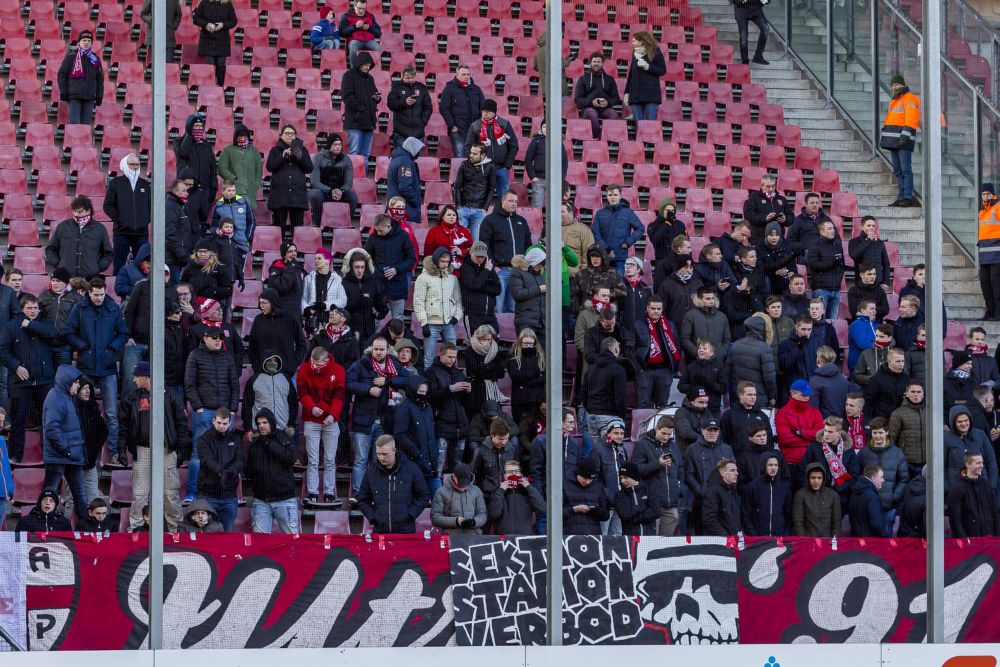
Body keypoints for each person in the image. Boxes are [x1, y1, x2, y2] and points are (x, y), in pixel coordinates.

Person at [61, 278, 127, 461]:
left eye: (101, 294)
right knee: (80, 411)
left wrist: (112, 348)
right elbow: (68, 332)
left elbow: (123, 333)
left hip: (107, 368)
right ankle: (82, 450)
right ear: (89, 292)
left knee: (112, 414)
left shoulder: (113, 309)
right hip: (86, 368)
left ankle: (112, 453)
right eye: (95, 294)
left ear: (106, 291)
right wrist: (82, 347)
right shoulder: (79, 309)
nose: (98, 298)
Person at [122, 361, 187, 531]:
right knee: (140, 494)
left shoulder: (171, 396)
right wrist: (121, 449)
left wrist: (181, 450)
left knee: (170, 494)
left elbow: (181, 424)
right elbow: (123, 425)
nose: (135, 380)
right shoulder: (133, 397)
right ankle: (135, 530)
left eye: (137, 376)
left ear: (147, 376)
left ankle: (175, 531)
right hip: (142, 450)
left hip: (166, 450)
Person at [345, 338, 412, 505]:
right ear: (371, 349)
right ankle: (358, 493)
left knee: (379, 460)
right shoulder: (362, 363)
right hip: (363, 420)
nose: (379, 352)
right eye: (376, 349)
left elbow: (410, 380)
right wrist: (368, 389)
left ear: (388, 349)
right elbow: (348, 382)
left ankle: (375, 494)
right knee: (360, 459)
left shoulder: (394, 364)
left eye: (382, 349)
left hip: (384, 420)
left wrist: (388, 381)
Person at [184, 325, 239, 501]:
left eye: (220, 338)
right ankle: (192, 493)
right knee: (197, 455)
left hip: (224, 412)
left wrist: (232, 409)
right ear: (205, 339)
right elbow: (189, 384)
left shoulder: (227, 357)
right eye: (214, 337)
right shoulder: (195, 356)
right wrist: (198, 406)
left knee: (226, 455)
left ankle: (225, 492)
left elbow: (234, 384)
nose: (217, 340)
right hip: (204, 411)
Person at [0, 295, 57, 464]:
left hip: (44, 380)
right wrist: (16, 366)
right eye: (29, 308)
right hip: (20, 383)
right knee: (18, 421)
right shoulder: (11, 327)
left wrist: (31, 325)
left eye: (35, 308)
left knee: (47, 421)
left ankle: (49, 455)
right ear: (22, 308)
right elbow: (2, 351)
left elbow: (53, 336)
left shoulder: (45, 324)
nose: (33, 311)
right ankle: (16, 456)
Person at [297, 346, 346, 505]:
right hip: (312, 419)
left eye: (317, 364)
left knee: (330, 459)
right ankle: (312, 492)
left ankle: (329, 492)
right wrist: (311, 407)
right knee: (313, 459)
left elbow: (339, 394)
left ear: (326, 361)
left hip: (331, 421)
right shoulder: (304, 369)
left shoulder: (338, 371)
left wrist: (332, 414)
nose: (313, 366)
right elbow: (302, 392)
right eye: (312, 362)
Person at [41, 366, 88, 519]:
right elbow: (51, 429)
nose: (78, 386)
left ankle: (86, 529)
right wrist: (66, 450)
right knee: (49, 496)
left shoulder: (66, 397)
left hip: (71, 457)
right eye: (75, 383)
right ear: (67, 382)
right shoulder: (56, 398)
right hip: (58, 457)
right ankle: (43, 526)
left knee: (80, 496)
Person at [358, 434, 431, 533]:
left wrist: (411, 514)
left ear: (394, 451)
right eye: (378, 454)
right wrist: (373, 517)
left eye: (384, 454)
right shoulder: (370, 472)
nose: (381, 457)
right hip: (380, 531)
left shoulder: (412, 469)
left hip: (406, 531)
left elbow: (424, 496)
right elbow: (362, 500)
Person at [243, 409, 298, 533]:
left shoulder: (283, 437)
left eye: (265, 422)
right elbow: (249, 470)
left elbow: (290, 459)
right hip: (261, 500)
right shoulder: (255, 443)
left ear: (271, 423)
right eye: (259, 423)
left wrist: (268, 443)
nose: (261, 426)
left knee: (292, 542)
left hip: (285, 500)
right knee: (260, 544)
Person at [630, 415, 685, 536]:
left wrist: (679, 488)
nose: (666, 437)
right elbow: (636, 471)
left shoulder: (673, 446)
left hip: (671, 504)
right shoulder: (643, 445)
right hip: (652, 504)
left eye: (669, 434)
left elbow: (680, 469)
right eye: (663, 433)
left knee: (665, 543)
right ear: (656, 428)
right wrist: (657, 464)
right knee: (651, 541)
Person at [684, 416, 735, 534]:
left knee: (724, 534)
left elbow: (733, 471)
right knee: (703, 535)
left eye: (715, 430)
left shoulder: (727, 449)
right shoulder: (692, 449)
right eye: (709, 430)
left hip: (724, 500)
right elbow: (689, 475)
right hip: (702, 501)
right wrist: (702, 492)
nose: (712, 433)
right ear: (702, 430)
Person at [413, 247, 462, 370]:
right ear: (436, 260)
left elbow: (458, 300)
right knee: (429, 357)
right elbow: (418, 301)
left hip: (448, 323)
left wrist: (456, 316)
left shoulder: (453, 279)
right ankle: (428, 385)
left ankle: (452, 379)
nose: (445, 264)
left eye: (447, 262)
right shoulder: (423, 278)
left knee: (452, 356)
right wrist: (423, 323)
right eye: (442, 261)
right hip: (431, 323)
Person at [426, 342, 471, 473]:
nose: (452, 360)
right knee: (438, 464)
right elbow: (430, 396)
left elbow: (464, 402)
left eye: (454, 357)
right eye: (449, 357)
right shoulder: (430, 372)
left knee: (457, 466)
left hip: (460, 424)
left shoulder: (458, 373)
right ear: (441, 354)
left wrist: (468, 391)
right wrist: (450, 389)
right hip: (441, 423)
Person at [195, 407, 243, 531]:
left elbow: (241, 461)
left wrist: (229, 471)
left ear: (230, 423)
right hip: (209, 495)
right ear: (213, 421)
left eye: (225, 423)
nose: (222, 426)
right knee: (208, 535)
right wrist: (223, 471)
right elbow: (206, 460)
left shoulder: (236, 439)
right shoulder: (203, 439)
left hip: (230, 495)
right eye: (219, 423)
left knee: (228, 534)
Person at [45, 196, 114, 280]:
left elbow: (108, 253)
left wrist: (97, 268)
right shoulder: (62, 227)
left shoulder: (100, 229)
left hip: (90, 278)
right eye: (75, 211)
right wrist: (59, 264)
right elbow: (50, 249)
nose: (76, 214)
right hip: (66, 277)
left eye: (80, 212)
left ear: (88, 210)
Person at [105, 154, 151, 275]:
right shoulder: (116, 183)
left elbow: (151, 207)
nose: (135, 167)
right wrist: (120, 220)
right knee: (119, 265)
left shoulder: (145, 185)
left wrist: (145, 220)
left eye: (137, 164)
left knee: (142, 266)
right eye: (132, 164)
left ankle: (139, 291)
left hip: (141, 233)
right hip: (121, 232)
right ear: (125, 165)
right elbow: (108, 206)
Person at [633, 296, 682, 409]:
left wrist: (672, 367)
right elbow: (630, 349)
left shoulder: (670, 325)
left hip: (665, 371)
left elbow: (677, 346)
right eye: (653, 308)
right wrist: (638, 368)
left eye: (659, 308)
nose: (656, 311)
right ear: (647, 308)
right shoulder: (638, 325)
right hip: (645, 371)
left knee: (662, 406)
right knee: (644, 406)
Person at [775, 380, 825, 492]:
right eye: (804, 395)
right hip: (790, 463)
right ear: (793, 394)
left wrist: (800, 433)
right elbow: (785, 439)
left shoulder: (814, 412)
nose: (807, 398)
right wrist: (811, 439)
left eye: (808, 395)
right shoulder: (782, 413)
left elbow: (821, 435)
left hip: (811, 463)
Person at [266, 125, 313, 239]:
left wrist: (299, 156)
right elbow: (270, 167)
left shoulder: (302, 149)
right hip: (280, 195)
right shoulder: (275, 150)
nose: (289, 136)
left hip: (297, 196)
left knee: (298, 229)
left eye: (292, 133)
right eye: (287, 133)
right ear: (281, 135)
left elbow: (309, 168)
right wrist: (282, 157)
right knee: (279, 228)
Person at [465, 100, 519, 200]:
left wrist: (507, 165)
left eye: (487, 111)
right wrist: (476, 164)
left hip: (501, 168)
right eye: (483, 111)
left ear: (494, 112)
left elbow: (513, 145)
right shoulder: (475, 126)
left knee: (504, 199)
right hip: (482, 169)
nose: (484, 113)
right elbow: (468, 148)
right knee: (481, 199)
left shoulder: (504, 124)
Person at [881, 74, 921, 207]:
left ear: (903, 85)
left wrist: (905, 136)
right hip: (894, 140)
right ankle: (901, 196)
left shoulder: (910, 98)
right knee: (898, 170)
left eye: (897, 84)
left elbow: (912, 119)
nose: (894, 87)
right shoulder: (895, 100)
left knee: (905, 169)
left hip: (903, 140)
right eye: (893, 85)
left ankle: (907, 196)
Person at [393, 375, 438, 492]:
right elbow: (400, 435)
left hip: (431, 462)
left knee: (439, 500)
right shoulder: (404, 408)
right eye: (420, 391)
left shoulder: (428, 407)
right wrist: (417, 454)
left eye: (425, 391)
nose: (423, 394)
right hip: (413, 461)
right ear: (413, 390)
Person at [247, 288, 306, 377]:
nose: (261, 306)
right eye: (260, 302)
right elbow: (252, 347)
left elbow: (302, 344)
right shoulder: (258, 320)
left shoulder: (290, 318)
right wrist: (256, 367)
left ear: (273, 302)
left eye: (264, 303)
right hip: (262, 373)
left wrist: (293, 364)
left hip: (286, 373)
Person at [944, 404, 999, 496]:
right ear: (953, 422)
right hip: (957, 490)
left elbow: (991, 462)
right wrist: (947, 489)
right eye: (959, 421)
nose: (964, 424)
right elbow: (942, 467)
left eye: (966, 420)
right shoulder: (946, 438)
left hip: (981, 487)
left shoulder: (980, 435)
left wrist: (991, 486)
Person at [592, 185, 645, 275]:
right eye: (610, 195)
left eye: (615, 195)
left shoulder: (628, 213)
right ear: (606, 196)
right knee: (603, 286)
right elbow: (595, 233)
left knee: (618, 286)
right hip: (603, 257)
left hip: (620, 258)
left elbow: (640, 228)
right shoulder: (600, 213)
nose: (613, 197)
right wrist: (605, 248)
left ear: (620, 196)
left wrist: (628, 242)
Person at [341, 249, 387, 348]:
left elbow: (377, 302)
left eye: (362, 267)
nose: (360, 270)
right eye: (356, 267)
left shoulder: (371, 282)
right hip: (351, 330)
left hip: (368, 329)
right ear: (351, 267)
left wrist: (382, 311)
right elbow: (343, 308)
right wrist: (358, 301)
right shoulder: (344, 283)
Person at [728, 315, 777, 407]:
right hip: (758, 396)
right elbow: (769, 378)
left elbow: (728, 371)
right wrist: (771, 397)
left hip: (739, 395)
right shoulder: (764, 348)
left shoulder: (736, 345)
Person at [947, 453, 1000, 537]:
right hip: (968, 542)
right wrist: (965, 540)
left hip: (988, 540)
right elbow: (955, 519)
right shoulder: (957, 487)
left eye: (982, 463)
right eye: (978, 463)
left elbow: (995, 513)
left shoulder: (986, 485)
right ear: (968, 465)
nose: (981, 466)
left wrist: (996, 537)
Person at [308, 133, 357, 224]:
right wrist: (330, 191)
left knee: (352, 197)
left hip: (339, 192)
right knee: (315, 195)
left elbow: (348, 182)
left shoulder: (346, 160)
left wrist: (341, 191)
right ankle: (318, 224)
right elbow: (314, 182)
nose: (338, 147)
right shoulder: (318, 158)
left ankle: (345, 224)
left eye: (339, 145)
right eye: (335, 145)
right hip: (322, 191)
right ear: (329, 145)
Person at [57, 30, 104, 125]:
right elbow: (62, 74)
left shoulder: (95, 59)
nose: (86, 42)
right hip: (74, 96)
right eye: (84, 40)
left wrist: (99, 95)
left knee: (86, 125)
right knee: (74, 124)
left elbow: (100, 79)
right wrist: (64, 92)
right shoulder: (71, 56)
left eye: (89, 41)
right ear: (79, 42)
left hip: (89, 97)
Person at [489, 458, 545, 534]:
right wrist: (501, 491)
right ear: (505, 476)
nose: (513, 474)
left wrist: (529, 487)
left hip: (524, 538)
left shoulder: (527, 491)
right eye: (510, 472)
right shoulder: (498, 491)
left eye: (516, 471)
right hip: (504, 539)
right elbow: (494, 514)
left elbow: (542, 509)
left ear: (521, 474)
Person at [210, 183, 255, 278]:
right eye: (229, 190)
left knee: (239, 273)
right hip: (225, 245)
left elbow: (251, 220)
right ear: (223, 191)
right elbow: (213, 226)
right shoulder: (218, 206)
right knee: (226, 273)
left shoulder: (243, 203)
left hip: (241, 243)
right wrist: (220, 235)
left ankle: (236, 291)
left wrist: (247, 236)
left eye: (233, 190)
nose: (231, 193)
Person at [341, 52, 380, 158]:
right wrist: (361, 108)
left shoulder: (370, 78)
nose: (367, 67)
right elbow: (346, 96)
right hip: (355, 122)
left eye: (369, 65)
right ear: (359, 64)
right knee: (354, 153)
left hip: (369, 122)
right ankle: (354, 175)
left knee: (366, 154)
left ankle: (364, 175)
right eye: (365, 65)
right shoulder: (349, 75)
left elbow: (374, 93)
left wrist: (377, 98)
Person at [429, 462, 486, 534]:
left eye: (466, 484)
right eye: (461, 483)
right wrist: (455, 521)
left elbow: (483, 515)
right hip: (451, 538)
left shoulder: (476, 490)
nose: (464, 486)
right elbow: (435, 518)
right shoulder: (441, 492)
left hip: (473, 537)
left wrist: (474, 522)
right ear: (453, 476)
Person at [574, 52, 621, 139]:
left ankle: (605, 136)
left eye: (598, 62)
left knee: (614, 114)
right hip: (589, 108)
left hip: (605, 109)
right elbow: (577, 99)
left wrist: (608, 102)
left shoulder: (609, 79)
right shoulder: (583, 79)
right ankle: (597, 136)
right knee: (591, 113)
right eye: (594, 61)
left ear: (602, 64)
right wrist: (592, 101)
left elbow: (616, 98)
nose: (596, 64)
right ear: (590, 63)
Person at [217, 124, 263, 212]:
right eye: (240, 136)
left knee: (249, 218)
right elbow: (222, 169)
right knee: (234, 216)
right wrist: (234, 179)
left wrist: (256, 184)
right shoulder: (227, 150)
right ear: (235, 137)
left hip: (250, 192)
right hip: (234, 191)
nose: (243, 138)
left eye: (245, 136)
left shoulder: (254, 151)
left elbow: (259, 169)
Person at [806, 220, 846, 320]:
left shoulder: (837, 246)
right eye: (829, 228)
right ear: (822, 232)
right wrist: (831, 263)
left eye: (833, 228)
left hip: (836, 289)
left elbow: (842, 265)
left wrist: (838, 280)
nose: (832, 230)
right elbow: (813, 265)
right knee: (820, 320)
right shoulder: (815, 246)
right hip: (821, 289)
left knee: (833, 322)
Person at [191, 0, 237, 86]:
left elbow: (234, 21)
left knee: (220, 66)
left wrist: (223, 24)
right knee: (209, 66)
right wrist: (206, 24)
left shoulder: (227, 4)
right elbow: (196, 19)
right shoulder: (204, 3)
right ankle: (210, 89)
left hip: (222, 41)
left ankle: (220, 87)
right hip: (207, 41)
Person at [301, 247, 348, 330]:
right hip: (312, 320)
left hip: (330, 319)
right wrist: (306, 309)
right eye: (315, 259)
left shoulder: (337, 279)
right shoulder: (308, 278)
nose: (316, 261)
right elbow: (303, 298)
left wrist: (326, 305)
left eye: (319, 258)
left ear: (328, 261)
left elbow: (343, 300)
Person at [459, 242, 501, 335]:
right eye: (477, 256)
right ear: (471, 252)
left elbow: (498, 289)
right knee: (476, 344)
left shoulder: (489, 266)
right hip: (473, 314)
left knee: (495, 342)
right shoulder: (465, 268)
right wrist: (486, 271)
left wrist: (480, 285)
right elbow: (475, 285)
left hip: (490, 314)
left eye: (482, 256)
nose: (480, 259)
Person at [508, 328, 546, 428]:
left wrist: (526, 381)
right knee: (520, 427)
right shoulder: (513, 355)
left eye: (531, 344)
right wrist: (536, 374)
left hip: (537, 399)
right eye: (525, 343)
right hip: (519, 400)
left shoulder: (541, 355)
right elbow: (516, 376)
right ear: (520, 342)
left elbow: (545, 378)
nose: (528, 346)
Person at [523, 121, 567, 208]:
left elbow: (564, 161)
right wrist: (532, 176)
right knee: (537, 207)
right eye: (544, 127)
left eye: (548, 127)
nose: (546, 129)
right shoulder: (536, 141)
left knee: (554, 208)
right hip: (539, 180)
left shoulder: (558, 141)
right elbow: (528, 159)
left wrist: (561, 178)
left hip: (554, 181)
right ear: (541, 128)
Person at [623, 32, 665, 120]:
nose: (632, 43)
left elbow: (662, 70)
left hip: (650, 94)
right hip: (635, 95)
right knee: (638, 124)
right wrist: (627, 92)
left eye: (634, 41)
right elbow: (631, 75)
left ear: (642, 41)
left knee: (650, 124)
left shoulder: (655, 51)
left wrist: (648, 67)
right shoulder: (635, 54)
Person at [387, 64, 432, 147]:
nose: (411, 80)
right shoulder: (396, 87)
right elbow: (391, 104)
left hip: (418, 133)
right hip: (401, 133)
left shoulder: (422, 88)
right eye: (408, 78)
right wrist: (404, 103)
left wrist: (423, 122)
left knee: (417, 159)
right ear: (402, 76)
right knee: (401, 158)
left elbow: (428, 107)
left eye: (412, 77)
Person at [720, 382, 770, 455]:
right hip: (735, 459)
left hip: (758, 460)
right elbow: (723, 439)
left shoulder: (762, 416)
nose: (753, 397)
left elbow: (769, 439)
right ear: (740, 395)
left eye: (755, 395)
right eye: (749, 394)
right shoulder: (729, 415)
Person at [791, 463, 841, 536]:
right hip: (808, 541)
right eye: (813, 478)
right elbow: (798, 522)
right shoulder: (800, 495)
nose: (816, 481)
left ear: (823, 479)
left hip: (828, 541)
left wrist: (834, 541)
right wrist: (804, 541)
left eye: (819, 478)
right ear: (808, 478)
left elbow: (836, 522)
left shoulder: (833, 495)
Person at [563, 457, 610, 535]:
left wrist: (594, 510)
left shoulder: (598, 486)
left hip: (593, 536)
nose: (587, 482)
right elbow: (556, 514)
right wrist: (574, 509)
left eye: (590, 479)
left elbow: (605, 515)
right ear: (578, 474)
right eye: (585, 478)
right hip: (571, 535)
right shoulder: (565, 485)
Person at [509, 249, 547, 345]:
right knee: (526, 353)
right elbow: (517, 294)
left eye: (542, 263)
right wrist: (538, 289)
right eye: (539, 263)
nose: (540, 266)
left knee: (543, 355)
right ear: (532, 262)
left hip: (541, 322)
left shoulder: (540, 275)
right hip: (525, 321)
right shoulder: (517, 273)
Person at [864, 347, 909, 421]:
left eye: (903, 361)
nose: (901, 364)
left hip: (901, 421)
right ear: (889, 362)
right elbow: (869, 403)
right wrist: (868, 423)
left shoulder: (907, 379)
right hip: (882, 422)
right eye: (898, 361)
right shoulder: (877, 379)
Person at [743, 175, 793, 242]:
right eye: (768, 186)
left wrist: (785, 219)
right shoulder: (753, 197)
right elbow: (748, 215)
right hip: (759, 239)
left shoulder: (782, 199)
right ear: (762, 186)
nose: (771, 189)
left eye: (773, 186)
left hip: (778, 239)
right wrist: (765, 218)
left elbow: (791, 217)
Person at [181, 241, 232, 305]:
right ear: (196, 252)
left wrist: (214, 291)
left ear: (210, 252)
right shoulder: (189, 268)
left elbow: (227, 290)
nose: (202, 254)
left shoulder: (219, 268)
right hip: (194, 303)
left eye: (205, 251)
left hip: (213, 303)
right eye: (200, 251)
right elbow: (183, 285)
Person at [702, 459, 742, 536]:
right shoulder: (713, 491)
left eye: (736, 470)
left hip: (733, 539)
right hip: (720, 542)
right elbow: (709, 519)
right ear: (722, 473)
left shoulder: (734, 492)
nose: (737, 473)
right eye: (732, 470)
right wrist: (725, 536)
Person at [978, 183, 1000, 319]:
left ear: (993, 194)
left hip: (997, 254)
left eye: (987, 194)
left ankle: (998, 313)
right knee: (985, 284)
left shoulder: (997, 208)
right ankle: (990, 311)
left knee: (996, 285)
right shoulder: (982, 211)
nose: (985, 196)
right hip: (984, 254)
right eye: (983, 194)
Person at [339, 0, 382, 68]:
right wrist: (355, 26)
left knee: (378, 48)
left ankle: (375, 70)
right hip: (355, 40)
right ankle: (354, 70)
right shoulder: (347, 16)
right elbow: (342, 32)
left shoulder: (370, 16)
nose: (361, 11)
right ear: (354, 6)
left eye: (363, 9)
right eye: (359, 8)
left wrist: (369, 28)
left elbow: (379, 33)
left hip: (369, 41)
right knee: (353, 46)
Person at [848, 465, 889, 537]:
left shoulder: (855, 492)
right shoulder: (871, 495)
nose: (883, 480)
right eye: (881, 477)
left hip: (856, 539)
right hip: (870, 542)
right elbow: (876, 523)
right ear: (873, 478)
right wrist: (885, 536)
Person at [810, 346, 850, 418]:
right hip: (841, 424)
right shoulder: (844, 380)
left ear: (818, 360)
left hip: (825, 425)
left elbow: (813, 408)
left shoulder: (815, 381)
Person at [165, 180, 193, 280]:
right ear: (176, 192)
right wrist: (182, 255)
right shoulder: (170, 207)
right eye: (184, 191)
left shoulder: (177, 206)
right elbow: (170, 234)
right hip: (172, 259)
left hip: (176, 258)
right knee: (173, 288)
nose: (187, 193)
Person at [851, 319, 891, 387]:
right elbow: (856, 376)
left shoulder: (897, 353)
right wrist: (872, 379)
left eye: (881, 337)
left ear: (890, 338)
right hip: (870, 391)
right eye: (876, 336)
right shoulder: (866, 353)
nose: (877, 339)